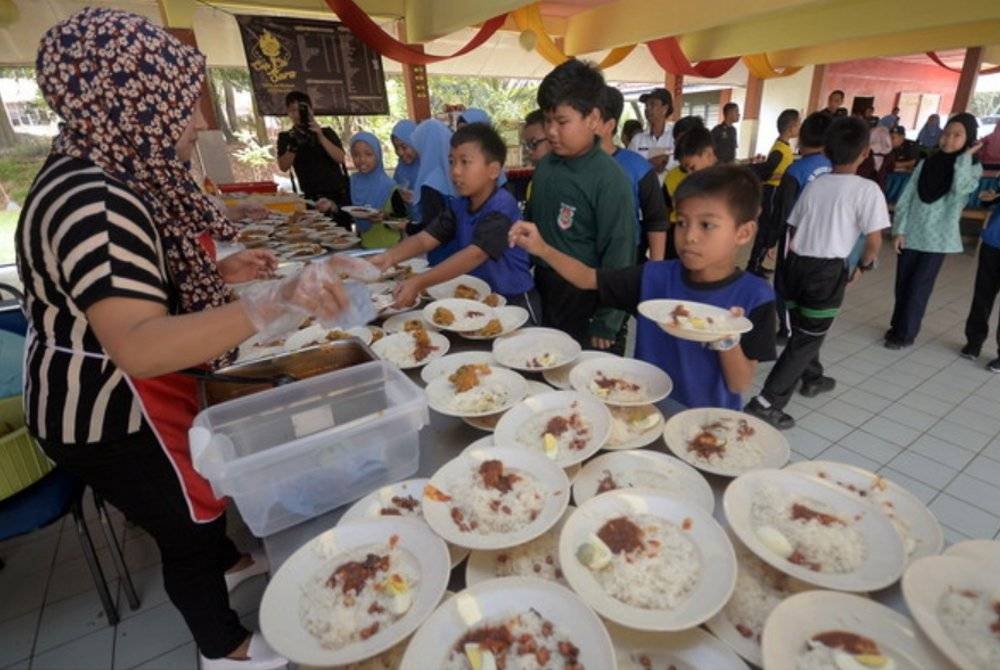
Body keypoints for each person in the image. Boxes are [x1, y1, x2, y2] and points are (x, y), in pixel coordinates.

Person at [22, 9, 351, 669]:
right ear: (130, 103)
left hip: (136, 391)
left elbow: (132, 287)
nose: (199, 123)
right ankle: (224, 649)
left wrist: (217, 273)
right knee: (183, 521)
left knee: (202, 490)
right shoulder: (94, 199)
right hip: (107, 412)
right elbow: (139, 344)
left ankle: (228, 560)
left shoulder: (106, 171)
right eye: (180, 105)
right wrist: (273, 302)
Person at [509, 165, 776, 409]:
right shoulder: (654, 277)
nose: (690, 236)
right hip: (646, 410)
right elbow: (588, 277)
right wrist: (542, 248)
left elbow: (739, 384)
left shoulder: (755, 296)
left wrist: (725, 334)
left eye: (707, 225)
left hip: (708, 425)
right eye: (681, 222)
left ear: (743, 233)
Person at [745, 117, 890, 429]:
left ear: (828, 149)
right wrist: (864, 266)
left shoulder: (815, 184)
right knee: (807, 338)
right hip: (824, 272)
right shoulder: (867, 190)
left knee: (805, 330)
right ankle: (767, 402)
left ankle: (812, 377)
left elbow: (794, 225)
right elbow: (874, 241)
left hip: (795, 265)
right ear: (865, 152)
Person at [370, 123, 540, 320]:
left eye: (465, 162)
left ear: (493, 170)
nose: (455, 171)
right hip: (481, 302)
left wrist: (419, 282)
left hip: (515, 301)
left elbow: (475, 254)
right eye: (452, 162)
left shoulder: (502, 204)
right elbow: (426, 239)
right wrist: (389, 257)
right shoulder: (459, 205)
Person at [524, 58, 636, 353]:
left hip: (589, 298)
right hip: (547, 289)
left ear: (593, 119)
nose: (551, 131)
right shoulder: (546, 166)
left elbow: (621, 256)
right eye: (547, 120)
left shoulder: (610, 180)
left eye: (562, 122)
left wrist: (608, 320)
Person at [886, 113, 983, 349]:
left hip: (937, 239)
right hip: (911, 234)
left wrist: (964, 159)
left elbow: (960, 190)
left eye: (957, 135)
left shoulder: (972, 168)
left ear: (969, 139)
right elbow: (907, 196)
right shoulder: (926, 163)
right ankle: (896, 326)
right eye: (946, 134)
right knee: (903, 285)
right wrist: (898, 230)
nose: (949, 139)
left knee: (919, 288)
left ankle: (906, 334)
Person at [768, 112, 834, 343]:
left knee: (784, 282)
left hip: (794, 235)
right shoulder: (834, 168)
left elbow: (782, 210)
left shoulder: (796, 171)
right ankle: (805, 325)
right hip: (825, 236)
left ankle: (787, 330)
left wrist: (770, 241)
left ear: (802, 138)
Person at [600, 86, 668, 262]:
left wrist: (656, 269)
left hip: (627, 252)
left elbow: (656, 221)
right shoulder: (638, 141)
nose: (648, 109)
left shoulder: (636, 166)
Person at [276, 91, 350, 218]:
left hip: (337, 196)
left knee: (344, 236)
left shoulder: (327, 132)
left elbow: (340, 158)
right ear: (288, 112)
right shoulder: (286, 137)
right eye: (293, 110)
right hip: (311, 199)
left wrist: (320, 136)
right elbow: (283, 166)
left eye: (302, 109)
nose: (298, 114)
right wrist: (293, 145)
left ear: (311, 110)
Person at [746, 109, 801, 276]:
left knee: (769, 229)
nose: (799, 127)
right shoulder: (780, 148)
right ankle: (753, 266)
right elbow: (768, 170)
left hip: (777, 191)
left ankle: (758, 263)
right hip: (772, 192)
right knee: (765, 229)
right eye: (798, 124)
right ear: (791, 128)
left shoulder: (783, 146)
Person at [408, 119, 457, 264]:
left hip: (442, 256)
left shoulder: (430, 183)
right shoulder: (454, 175)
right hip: (459, 253)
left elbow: (432, 229)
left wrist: (407, 226)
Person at [962, 184, 1000, 371]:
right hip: (994, 241)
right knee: (982, 295)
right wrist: (989, 197)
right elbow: (993, 198)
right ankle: (974, 342)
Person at [347, 132, 407, 248]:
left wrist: (385, 216)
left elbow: (402, 217)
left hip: (391, 247)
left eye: (369, 154)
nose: (362, 160)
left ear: (378, 155)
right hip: (364, 245)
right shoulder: (353, 182)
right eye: (356, 155)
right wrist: (332, 205)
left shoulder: (389, 185)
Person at [662, 116, 707, 260]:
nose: (682, 148)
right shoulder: (671, 177)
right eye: (678, 142)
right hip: (675, 235)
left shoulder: (716, 178)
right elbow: (665, 210)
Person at [628, 87, 675, 175]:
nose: (647, 109)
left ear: (665, 109)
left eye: (652, 105)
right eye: (646, 106)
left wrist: (666, 162)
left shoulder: (675, 135)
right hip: (645, 188)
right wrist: (649, 164)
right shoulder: (637, 140)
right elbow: (630, 165)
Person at [390, 119, 421, 221]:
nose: (400, 153)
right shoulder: (400, 169)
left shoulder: (427, 166)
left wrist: (417, 197)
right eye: (396, 148)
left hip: (430, 227)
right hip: (408, 225)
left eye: (404, 147)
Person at [857, 125, 895, 189]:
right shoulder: (889, 154)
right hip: (879, 186)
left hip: (861, 183)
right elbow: (891, 169)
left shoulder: (864, 150)